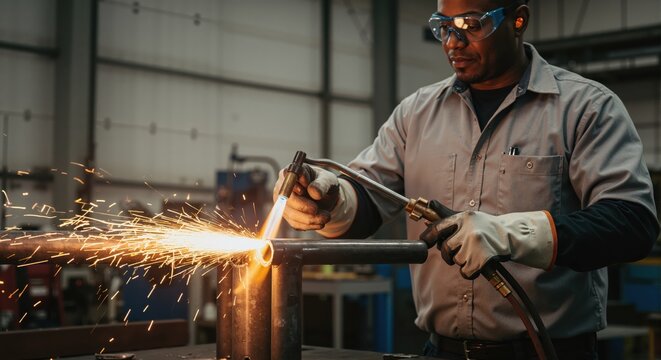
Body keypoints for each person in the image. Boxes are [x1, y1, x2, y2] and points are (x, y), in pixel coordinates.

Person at [273, 0, 660, 358]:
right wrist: (328, 199)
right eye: (443, 27)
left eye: (470, 25)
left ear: (518, 20)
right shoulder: (416, 114)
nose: (452, 43)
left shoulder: (585, 107)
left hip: (548, 351)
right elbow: (368, 197)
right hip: (442, 350)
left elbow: (632, 221)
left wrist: (512, 235)